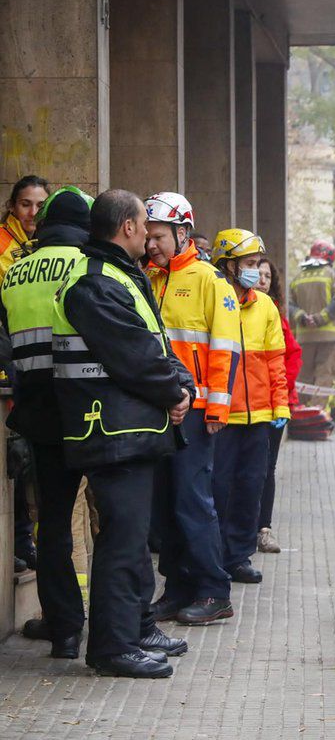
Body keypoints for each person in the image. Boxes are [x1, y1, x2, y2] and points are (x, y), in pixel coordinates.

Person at [52, 188, 195, 678]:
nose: (150, 238)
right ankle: (113, 647)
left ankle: (135, 629)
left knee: (131, 538)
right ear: (128, 228)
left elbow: (156, 345)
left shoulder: (117, 275)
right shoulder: (96, 282)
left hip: (128, 428)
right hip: (111, 429)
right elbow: (136, 357)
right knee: (121, 538)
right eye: (144, 226)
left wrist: (182, 386)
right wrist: (175, 392)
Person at [0, 186, 94, 658]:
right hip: (95, 413)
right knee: (118, 518)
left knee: (52, 525)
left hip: (38, 414)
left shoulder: (14, 271)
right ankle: (124, 624)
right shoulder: (90, 266)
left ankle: (64, 630)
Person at [143, 192, 239, 626]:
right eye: (147, 236)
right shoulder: (151, 278)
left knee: (191, 502)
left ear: (183, 232)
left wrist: (217, 408)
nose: (151, 244)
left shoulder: (210, 281)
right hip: (162, 409)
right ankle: (178, 588)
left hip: (198, 410)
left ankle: (214, 590)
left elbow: (226, 349)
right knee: (165, 505)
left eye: (159, 236)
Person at [209, 230, 290, 585]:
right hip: (222, 415)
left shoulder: (266, 306)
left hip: (258, 416)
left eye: (258, 263)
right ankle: (215, 555)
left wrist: (280, 406)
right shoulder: (214, 298)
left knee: (250, 487)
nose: (256, 270)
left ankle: (239, 556)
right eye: (249, 264)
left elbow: (276, 362)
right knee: (218, 488)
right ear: (228, 265)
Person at [2, 175, 48, 574]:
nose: (32, 213)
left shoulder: (39, 249)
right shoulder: (4, 245)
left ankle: (24, 540)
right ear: (12, 207)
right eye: (25, 204)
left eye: (39, 205)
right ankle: (19, 541)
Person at [253, 256, 301, 554]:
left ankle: (263, 530)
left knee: (266, 468)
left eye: (266, 276)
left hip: (272, 406)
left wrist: (278, 394)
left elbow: (290, 357)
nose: (260, 280)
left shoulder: (275, 316)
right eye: (256, 273)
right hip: (240, 407)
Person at [290, 240, 335, 409]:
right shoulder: (331, 274)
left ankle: (299, 409)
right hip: (328, 336)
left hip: (304, 336)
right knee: (324, 374)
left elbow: (290, 304)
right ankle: (316, 411)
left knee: (303, 374)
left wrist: (303, 317)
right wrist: (320, 318)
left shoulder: (298, 276)